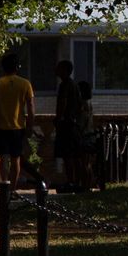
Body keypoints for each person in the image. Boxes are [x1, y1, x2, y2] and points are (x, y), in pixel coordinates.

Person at [0, 52, 35, 187]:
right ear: (17, 67)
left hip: (0, 126)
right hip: (18, 126)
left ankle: (4, 185)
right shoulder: (25, 84)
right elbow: (31, 107)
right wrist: (30, 126)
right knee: (16, 159)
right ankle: (13, 189)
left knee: (3, 158)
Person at [52, 60, 85, 190]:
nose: (56, 69)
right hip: (74, 124)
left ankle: (71, 181)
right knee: (75, 155)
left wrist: (58, 118)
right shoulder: (74, 85)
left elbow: (63, 103)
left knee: (68, 155)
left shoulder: (65, 85)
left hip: (67, 125)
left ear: (64, 70)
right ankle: (77, 182)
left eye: (59, 68)